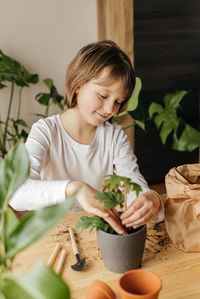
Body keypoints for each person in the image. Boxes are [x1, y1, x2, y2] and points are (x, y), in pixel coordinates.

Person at [9, 40, 164, 235]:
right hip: (54, 235)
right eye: (102, 95)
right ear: (78, 85)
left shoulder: (114, 136)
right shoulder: (45, 131)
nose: (110, 109)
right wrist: (75, 188)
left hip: (97, 235)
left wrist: (151, 198)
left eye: (118, 101)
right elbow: (16, 193)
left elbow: (132, 181)